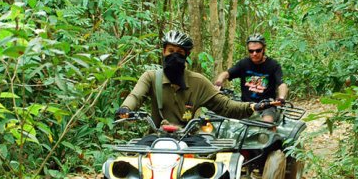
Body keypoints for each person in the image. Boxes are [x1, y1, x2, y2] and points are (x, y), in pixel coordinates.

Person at [116, 30, 273, 126]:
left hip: (189, 140)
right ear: (163, 52)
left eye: (180, 52)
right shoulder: (150, 77)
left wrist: (253, 106)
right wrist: (126, 109)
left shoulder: (198, 82)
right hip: (156, 138)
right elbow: (135, 96)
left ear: (186, 56)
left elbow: (225, 106)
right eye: (170, 51)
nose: (174, 55)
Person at [213, 34, 288, 123]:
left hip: (267, 105)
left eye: (258, 50)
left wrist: (281, 97)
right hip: (246, 105)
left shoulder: (273, 65)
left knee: (267, 124)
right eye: (251, 51)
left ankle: (272, 135)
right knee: (224, 122)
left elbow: (281, 84)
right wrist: (218, 83)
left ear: (264, 49)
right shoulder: (244, 64)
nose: (254, 54)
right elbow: (226, 74)